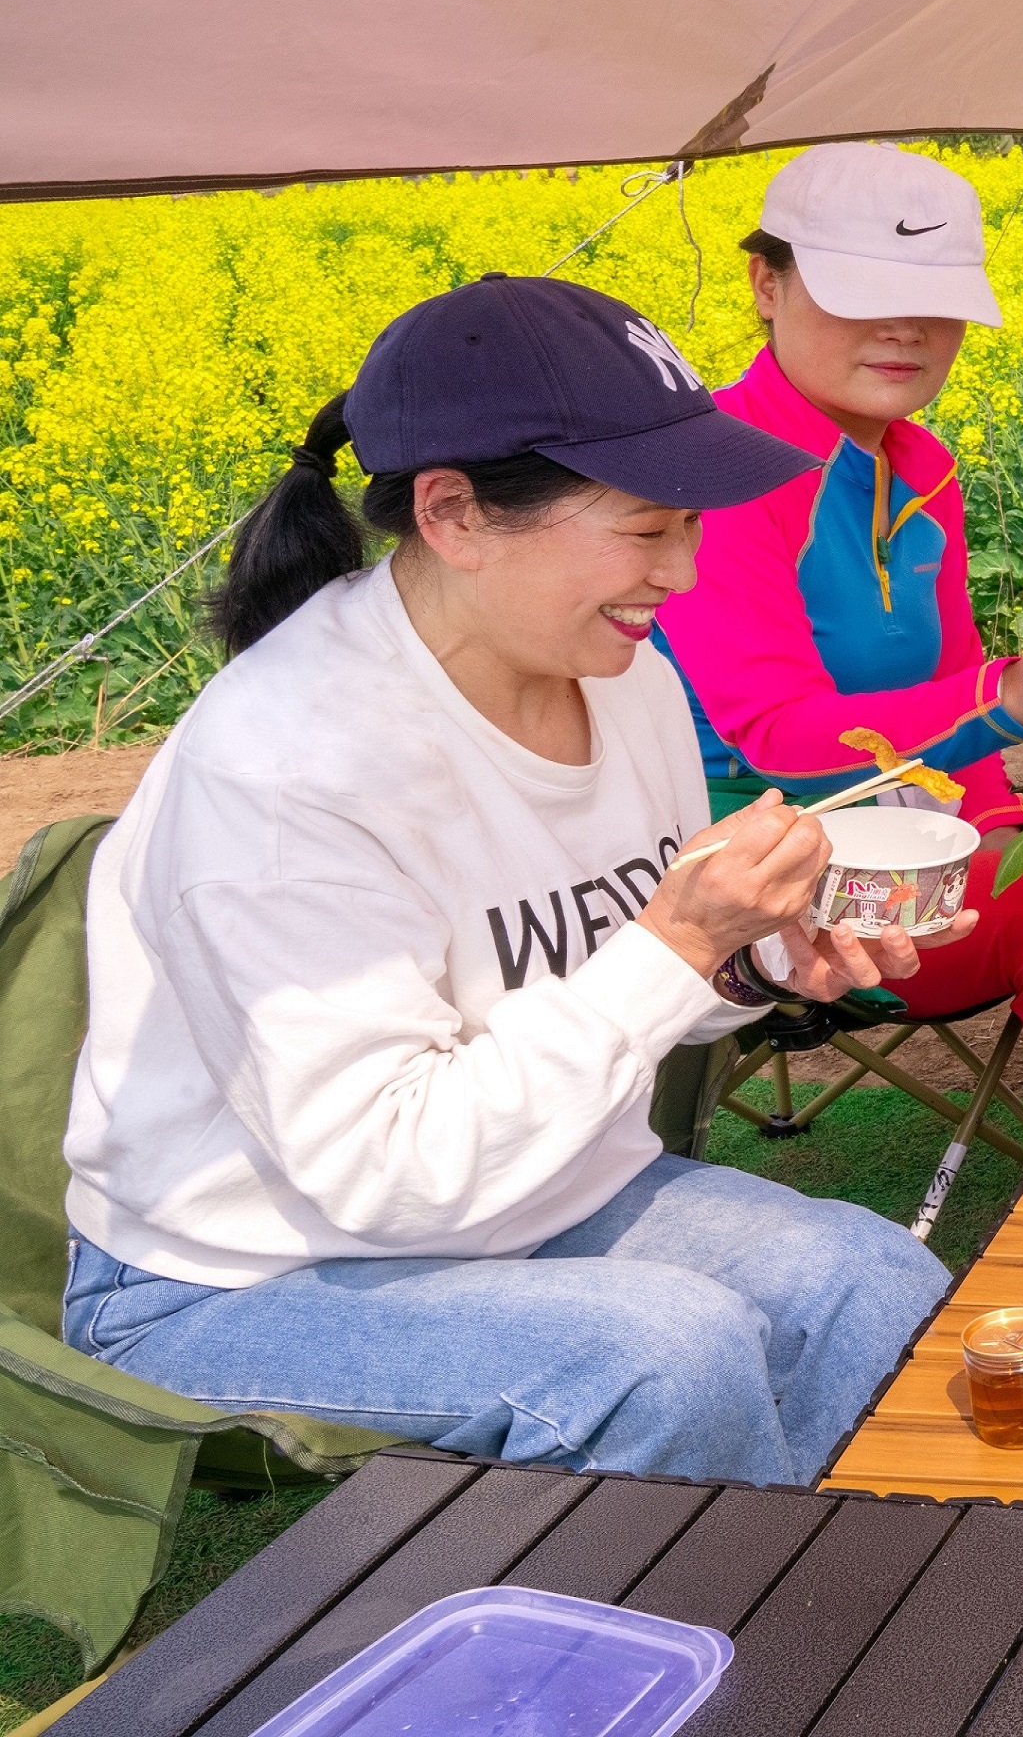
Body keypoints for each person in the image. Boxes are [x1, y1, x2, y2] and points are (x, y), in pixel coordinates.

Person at [65, 276, 959, 1486]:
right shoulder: (287, 772)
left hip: (530, 1189)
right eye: (647, 530)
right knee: (664, 1355)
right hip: (246, 1270)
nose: (684, 575)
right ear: (455, 514)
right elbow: (391, 1173)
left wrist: (749, 956)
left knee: (877, 1283)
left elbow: (619, 971)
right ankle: (749, 1648)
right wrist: (675, 946)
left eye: (690, 527)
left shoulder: (622, 676)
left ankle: (835, 1599)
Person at [655, 143, 1023, 1036]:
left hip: (911, 824)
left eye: (934, 301)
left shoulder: (924, 468)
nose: (904, 327)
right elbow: (778, 740)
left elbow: (954, 674)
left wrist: (991, 820)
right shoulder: (720, 475)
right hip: (765, 859)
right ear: (765, 284)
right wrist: (1016, 695)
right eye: (863, 295)